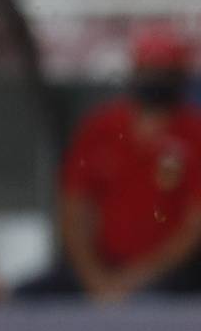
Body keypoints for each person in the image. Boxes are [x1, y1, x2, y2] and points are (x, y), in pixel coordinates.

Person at [41, 28, 201, 297]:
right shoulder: (101, 128)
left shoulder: (193, 134)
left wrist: (133, 280)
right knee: (28, 299)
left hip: (169, 276)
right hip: (98, 270)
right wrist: (95, 279)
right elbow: (74, 209)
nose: (155, 78)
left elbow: (193, 227)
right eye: (148, 69)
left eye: (164, 71)